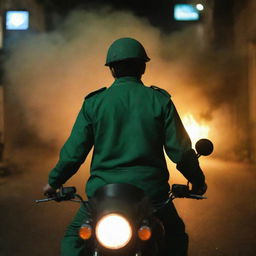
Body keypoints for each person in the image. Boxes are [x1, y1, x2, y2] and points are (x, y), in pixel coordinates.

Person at [43, 37, 207, 256]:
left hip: (102, 196)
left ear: (112, 69)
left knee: (73, 237)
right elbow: (181, 151)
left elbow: (74, 153)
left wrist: (54, 182)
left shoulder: (94, 103)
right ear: (143, 67)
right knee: (175, 234)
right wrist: (197, 182)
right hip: (152, 196)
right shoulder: (159, 100)